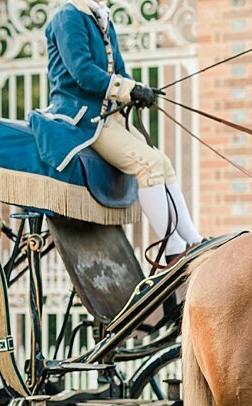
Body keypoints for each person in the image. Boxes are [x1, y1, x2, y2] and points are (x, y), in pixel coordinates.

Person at [31, 0, 204, 264]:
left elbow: (119, 70)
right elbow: (83, 72)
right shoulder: (69, 16)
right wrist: (127, 89)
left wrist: (137, 90)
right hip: (80, 117)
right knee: (148, 165)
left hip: (105, 114)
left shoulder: (102, 18)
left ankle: (192, 239)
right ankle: (173, 249)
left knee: (164, 164)